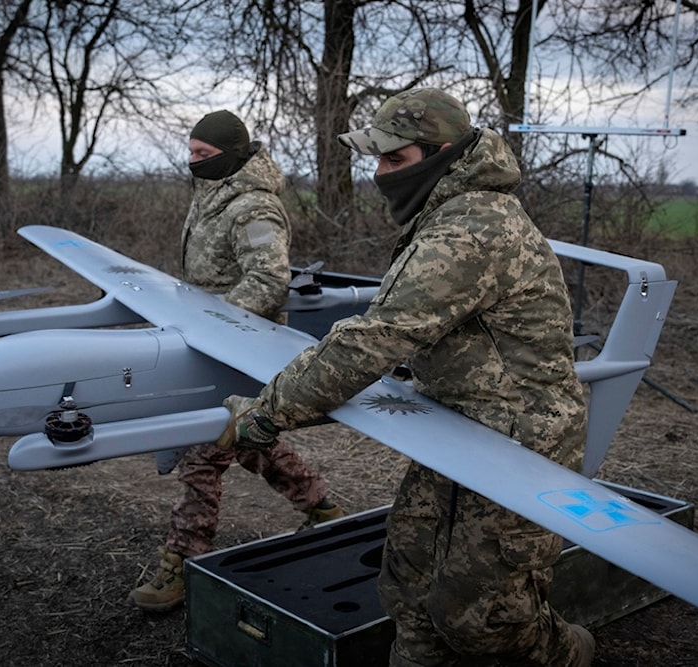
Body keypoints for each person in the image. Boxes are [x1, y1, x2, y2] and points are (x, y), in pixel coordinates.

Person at [217, 89, 596, 666]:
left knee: (480, 618)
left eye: (393, 160)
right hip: (457, 428)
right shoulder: (446, 210)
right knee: (409, 587)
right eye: (377, 159)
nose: (378, 174)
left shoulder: (471, 229)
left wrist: (267, 413)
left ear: (440, 154)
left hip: (521, 442)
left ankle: (568, 655)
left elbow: (378, 335)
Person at [128, 110, 345, 612]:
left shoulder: (254, 209)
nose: (193, 162)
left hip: (240, 348)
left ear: (229, 154)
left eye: (203, 154)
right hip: (208, 345)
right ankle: (323, 508)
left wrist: (213, 321)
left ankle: (180, 562)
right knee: (249, 442)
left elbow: (268, 280)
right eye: (191, 152)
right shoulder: (213, 194)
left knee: (203, 452)